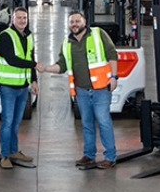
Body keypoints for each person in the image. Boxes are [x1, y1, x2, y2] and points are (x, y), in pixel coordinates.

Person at [40, 11, 119, 169]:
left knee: (103, 122)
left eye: (77, 21)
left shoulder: (98, 34)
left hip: (101, 89)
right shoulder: (67, 43)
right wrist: (46, 68)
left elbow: (112, 54)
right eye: (72, 22)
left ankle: (110, 157)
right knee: (87, 123)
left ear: (84, 21)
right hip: (82, 91)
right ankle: (89, 155)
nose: (74, 24)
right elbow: (61, 65)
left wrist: (114, 77)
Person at [0, 7, 42, 169]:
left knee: (16, 123)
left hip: (23, 87)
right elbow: (11, 59)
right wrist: (34, 65)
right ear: (12, 19)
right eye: (19, 17)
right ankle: (5, 156)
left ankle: (14, 151)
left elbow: (30, 57)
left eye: (25, 18)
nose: (22, 20)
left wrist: (34, 80)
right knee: (7, 122)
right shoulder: (5, 36)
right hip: (8, 87)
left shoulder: (28, 36)